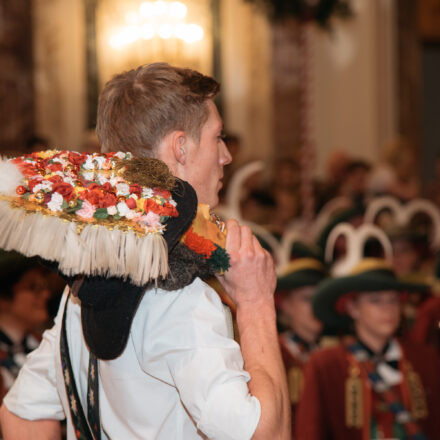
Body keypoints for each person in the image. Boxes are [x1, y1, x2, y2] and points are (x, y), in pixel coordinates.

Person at [0, 63, 290, 439]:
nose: (226, 156)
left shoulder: (83, 289)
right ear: (181, 147)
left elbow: (21, 414)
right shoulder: (179, 297)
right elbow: (265, 435)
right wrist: (255, 302)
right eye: (217, 137)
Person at [295, 257, 440, 439]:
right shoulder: (325, 365)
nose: (388, 309)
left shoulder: (423, 358)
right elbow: (309, 432)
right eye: (375, 300)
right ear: (353, 308)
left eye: (393, 300)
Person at [276, 243, 327, 436]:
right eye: (307, 299)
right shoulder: (275, 351)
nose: (315, 307)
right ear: (285, 305)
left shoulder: (336, 353)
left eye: (320, 300)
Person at [0, 251, 51, 404]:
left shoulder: (45, 345)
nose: (46, 294)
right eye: (34, 287)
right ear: (3, 296)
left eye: (44, 286)